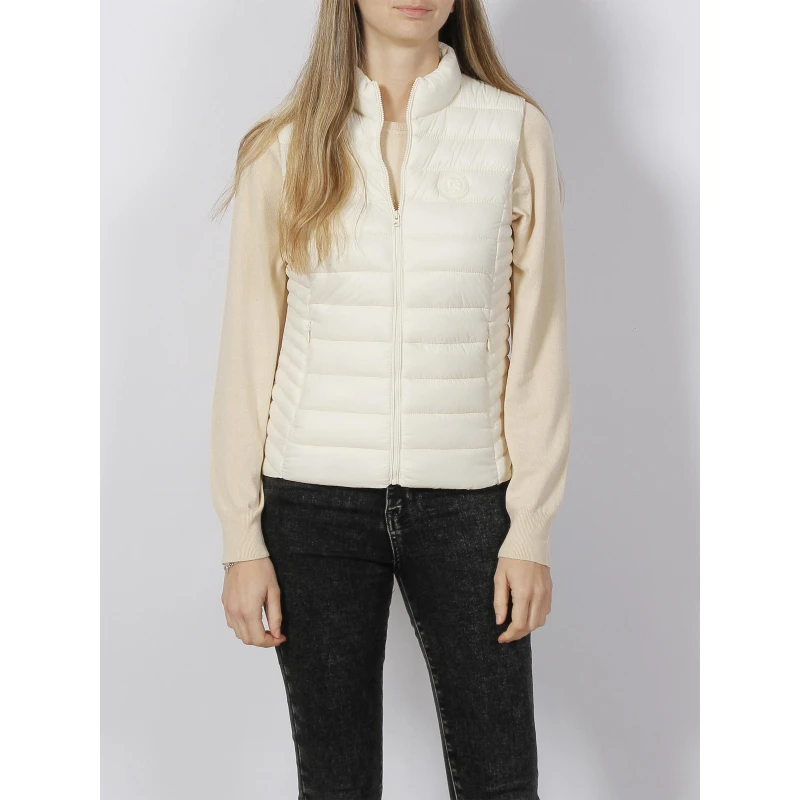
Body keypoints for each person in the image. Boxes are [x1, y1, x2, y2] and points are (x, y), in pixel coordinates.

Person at [209, 1, 571, 797]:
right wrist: (242, 538)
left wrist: (531, 530)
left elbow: (539, 347)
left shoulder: (514, 132)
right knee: (336, 786)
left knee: (502, 782)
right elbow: (247, 350)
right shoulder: (285, 144)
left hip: (469, 505)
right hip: (312, 504)